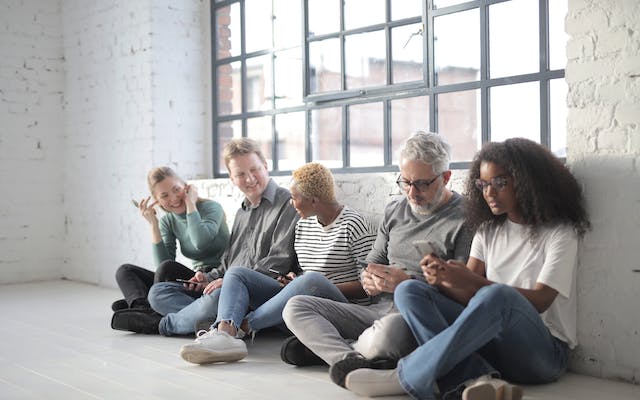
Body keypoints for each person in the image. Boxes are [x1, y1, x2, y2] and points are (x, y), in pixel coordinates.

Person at [341, 138, 591, 400]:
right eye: (483, 184)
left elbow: (540, 301)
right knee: (409, 289)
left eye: (500, 183)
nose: (489, 193)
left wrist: (472, 282)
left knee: (498, 296)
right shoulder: (487, 230)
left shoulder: (559, 233)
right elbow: (466, 296)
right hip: (491, 347)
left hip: (542, 354)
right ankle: (473, 379)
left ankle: (405, 377)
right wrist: (444, 279)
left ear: (527, 181)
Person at [281, 131, 473, 386]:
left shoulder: (465, 218)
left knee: (389, 335)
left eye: (422, 184)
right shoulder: (395, 209)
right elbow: (370, 262)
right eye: (405, 182)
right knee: (295, 306)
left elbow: (465, 294)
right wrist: (369, 280)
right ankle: (352, 360)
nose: (412, 192)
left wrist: (408, 283)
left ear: (446, 177)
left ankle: (336, 349)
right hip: (375, 310)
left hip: (417, 317)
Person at [178, 162, 378, 364]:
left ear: (314, 200)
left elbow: (367, 288)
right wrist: (293, 281)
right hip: (299, 307)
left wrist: (311, 285)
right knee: (237, 274)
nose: (291, 203)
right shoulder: (303, 226)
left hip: (339, 310)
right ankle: (225, 334)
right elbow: (306, 273)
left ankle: (242, 328)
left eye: (294, 198)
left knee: (311, 281)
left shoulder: (354, 225)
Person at [111, 138, 300, 336]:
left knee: (218, 296)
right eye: (241, 174)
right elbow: (228, 262)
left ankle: (162, 324)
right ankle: (213, 319)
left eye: (254, 170)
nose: (250, 179)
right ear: (232, 178)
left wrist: (227, 281)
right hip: (227, 285)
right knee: (159, 293)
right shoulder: (242, 212)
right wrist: (208, 277)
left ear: (266, 166)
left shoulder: (286, 203)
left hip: (260, 289)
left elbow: (278, 262)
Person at [110, 167, 229, 321]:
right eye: (164, 195)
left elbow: (200, 242)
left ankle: (146, 308)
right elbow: (162, 264)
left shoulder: (211, 208)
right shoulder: (168, 221)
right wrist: (154, 224)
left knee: (168, 268)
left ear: (186, 187)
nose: (173, 198)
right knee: (125, 271)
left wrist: (191, 204)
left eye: (176, 189)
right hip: (195, 279)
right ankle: (141, 307)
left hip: (216, 277)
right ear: (157, 201)